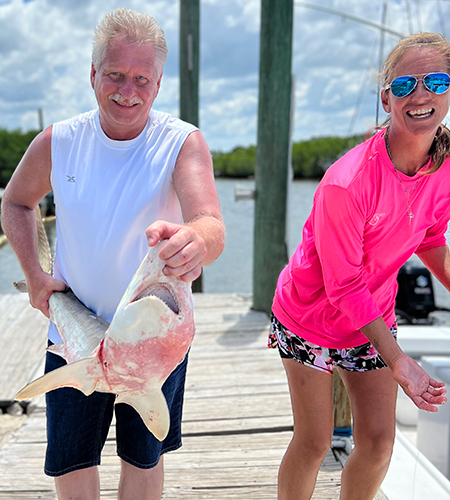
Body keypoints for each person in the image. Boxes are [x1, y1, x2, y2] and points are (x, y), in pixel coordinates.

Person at [1, 8, 224, 500]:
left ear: (159, 82)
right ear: (93, 74)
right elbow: (16, 202)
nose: (128, 90)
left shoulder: (182, 142)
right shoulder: (59, 141)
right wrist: (36, 276)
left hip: (154, 342)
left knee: (143, 460)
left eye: (142, 78)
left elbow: (210, 222)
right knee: (71, 463)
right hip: (73, 330)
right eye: (116, 75)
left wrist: (197, 240)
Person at [269, 32, 450, 500]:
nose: (421, 94)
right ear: (386, 97)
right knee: (314, 441)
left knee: (379, 442)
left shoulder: (443, 169)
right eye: (406, 84)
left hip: (372, 313)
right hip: (308, 316)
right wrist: (399, 361)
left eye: (436, 80)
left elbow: (430, 237)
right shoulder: (347, 183)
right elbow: (344, 285)